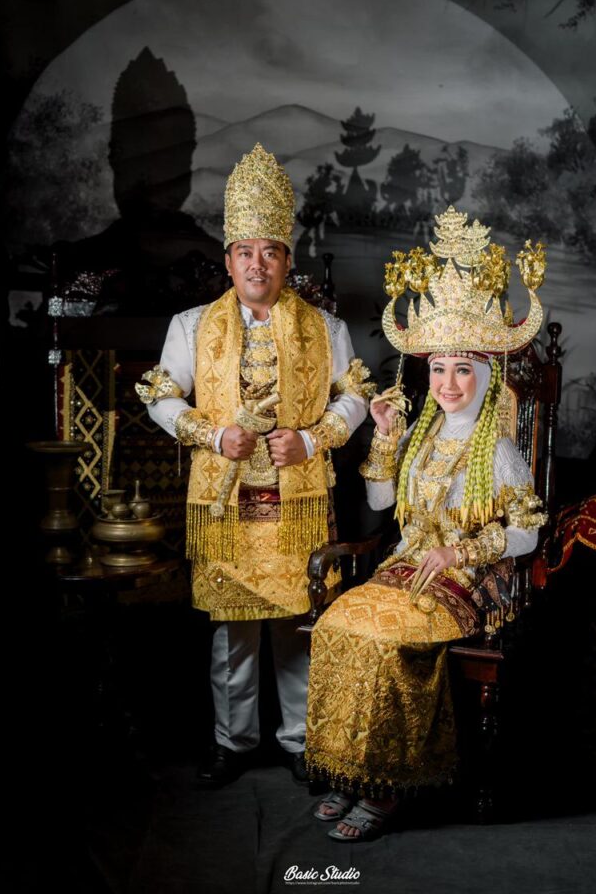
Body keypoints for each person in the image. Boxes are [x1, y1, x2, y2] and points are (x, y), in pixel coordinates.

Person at [305, 207, 548, 840]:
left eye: (463, 369)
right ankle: (349, 772)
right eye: (439, 368)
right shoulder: (419, 436)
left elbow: (528, 534)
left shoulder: (499, 451)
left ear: (484, 375)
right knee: (339, 624)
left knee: (386, 641)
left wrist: (460, 554)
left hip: (470, 583)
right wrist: (386, 439)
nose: (448, 383)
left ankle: (386, 789)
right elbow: (382, 505)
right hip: (407, 568)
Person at [138, 143, 370, 786]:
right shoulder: (191, 326)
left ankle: (300, 741)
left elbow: (355, 395)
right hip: (226, 498)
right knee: (232, 628)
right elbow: (159, 395)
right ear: (228, 260)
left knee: (298, 620)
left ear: (288, 260)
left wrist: (314, 440)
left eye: (270, 252)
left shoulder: (325, 328)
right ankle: (232, 742)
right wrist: (214, 437)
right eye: (245, 252)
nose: (257, 264)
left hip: (297, 497)